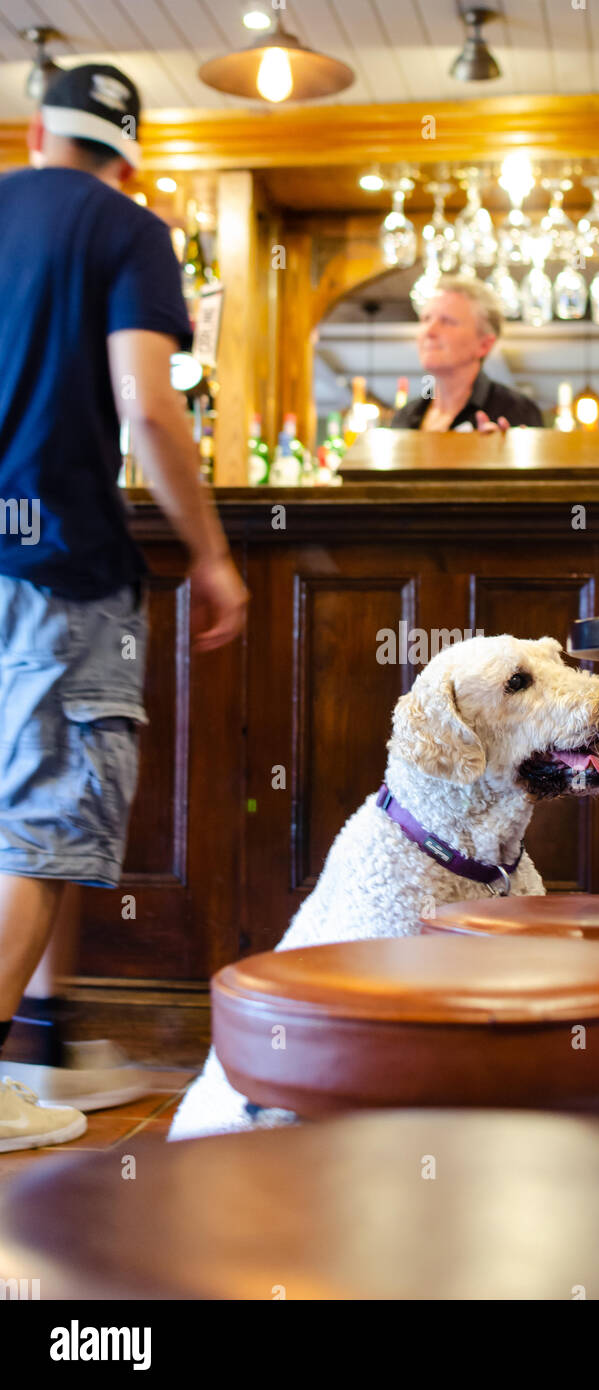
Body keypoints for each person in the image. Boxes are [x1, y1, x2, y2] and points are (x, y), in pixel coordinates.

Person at [0, 63, 248, 1152]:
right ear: (131, 150)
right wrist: (212, 554)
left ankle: (39, 1042)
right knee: (42, 826)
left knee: (24, 828)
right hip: (60, 564)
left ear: (40, 132)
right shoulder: (127, 230)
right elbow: (151, 406)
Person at [391, 276, 543, 433]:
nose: (429, 331)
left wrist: (504, 454)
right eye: (426, 319)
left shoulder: (515, 411)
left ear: (484, 344)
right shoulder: (405, 417)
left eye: (447, 321)